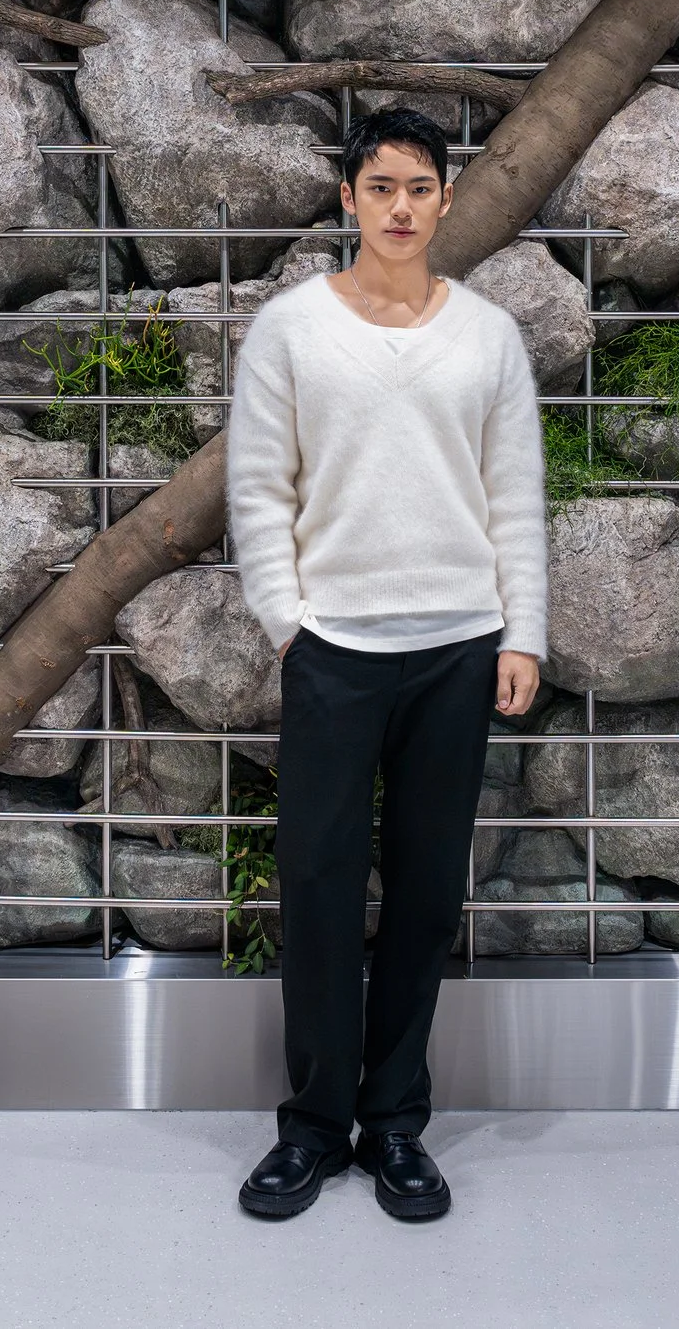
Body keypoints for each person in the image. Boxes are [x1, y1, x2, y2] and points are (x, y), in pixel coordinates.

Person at [222, 106, 549, 1222]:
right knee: (315, 890)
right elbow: (259, 488)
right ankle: (313, 1127)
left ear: (445, 199)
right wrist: (286, 622)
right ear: (348, 201)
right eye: (380, 188)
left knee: (423, 893)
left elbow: (515, 496)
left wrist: (522, 632)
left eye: (419, 187)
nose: (400, 206)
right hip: (335, 652)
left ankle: (396, 1125)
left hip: (458, 648)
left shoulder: (489, 338)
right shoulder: (291, 330)